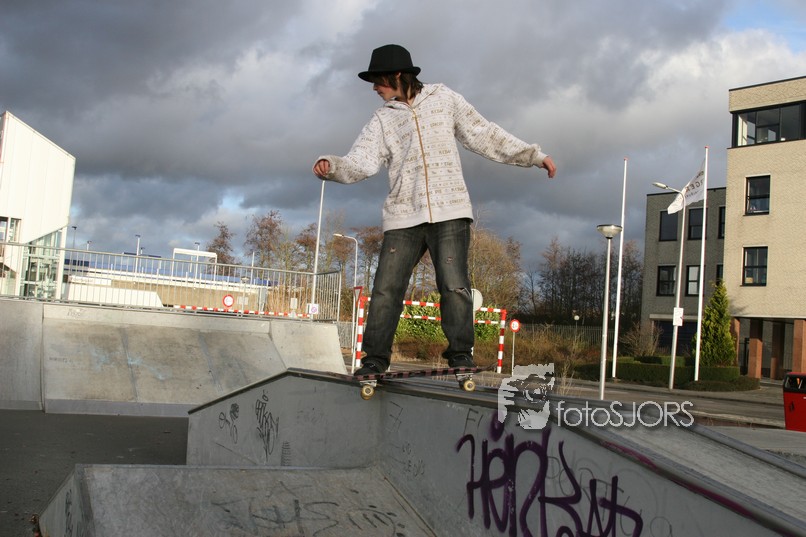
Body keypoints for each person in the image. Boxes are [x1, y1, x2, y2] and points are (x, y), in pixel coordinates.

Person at [313, 44, 557, 377]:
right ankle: (374, 360)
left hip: (450, 212)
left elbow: (483, 133)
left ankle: (461, 356)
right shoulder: (382, 119)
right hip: (403, 216)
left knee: (454, 286)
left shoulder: (443, 98)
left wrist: (533, 156)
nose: (374, 88)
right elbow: (362, 160)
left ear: (398, 75)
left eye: (377, 80)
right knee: (385, 289)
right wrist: (333, 166)